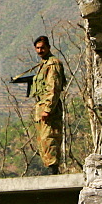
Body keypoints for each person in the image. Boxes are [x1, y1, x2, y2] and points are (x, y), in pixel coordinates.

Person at [31, 35, 64, 174]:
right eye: (37, 48)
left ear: (49, 47)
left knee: (50, 138)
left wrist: (48, 109)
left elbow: (54, 87)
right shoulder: (43, 64)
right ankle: (50, 167)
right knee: (42, 141)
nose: (40, 50)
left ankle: (53, 170)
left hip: (49, 108)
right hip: (40, 106)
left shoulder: (52, 64)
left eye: (42, 48)